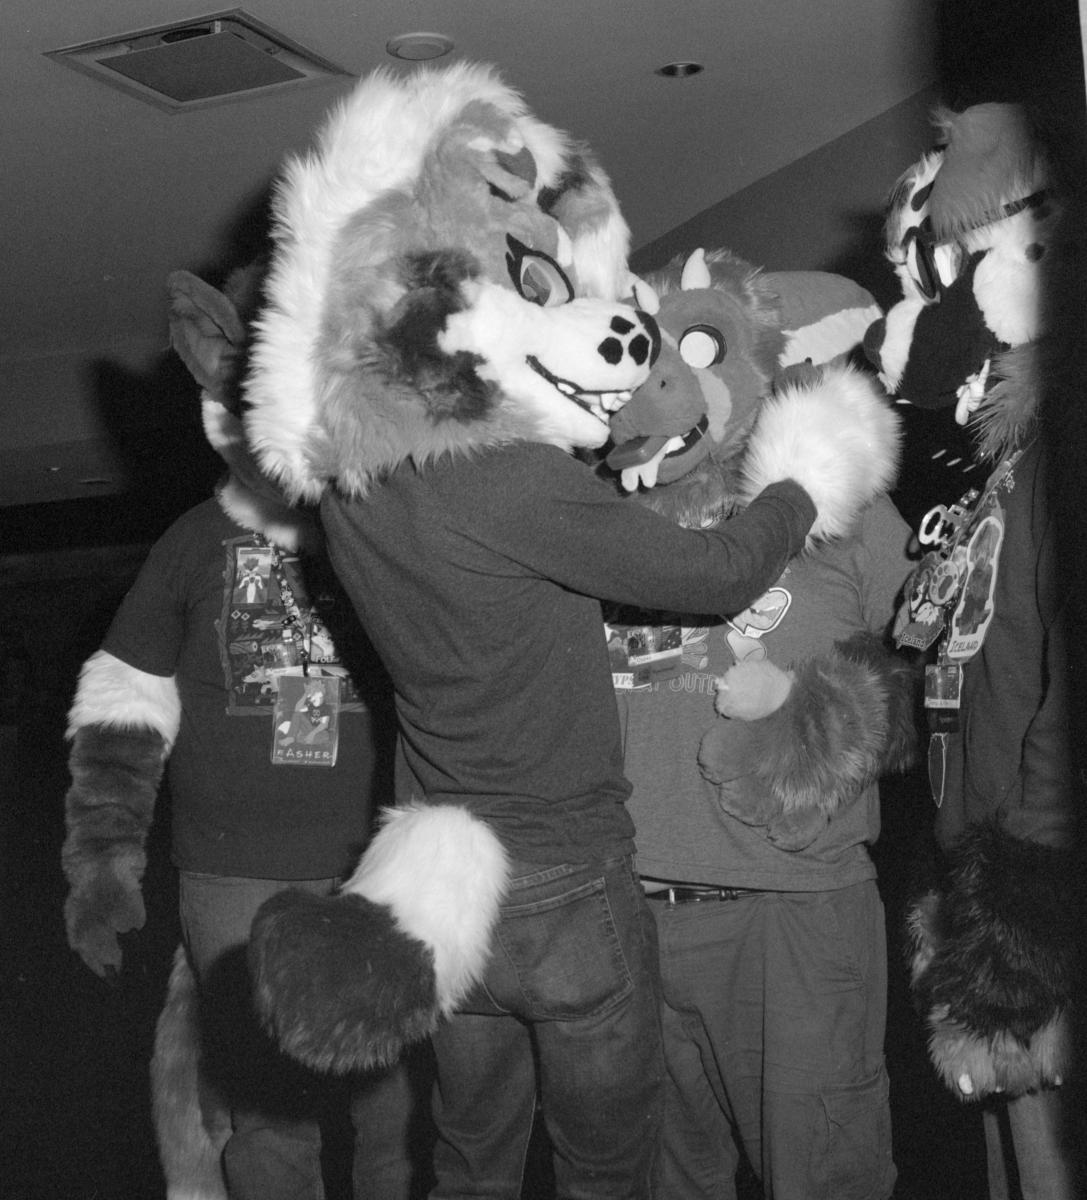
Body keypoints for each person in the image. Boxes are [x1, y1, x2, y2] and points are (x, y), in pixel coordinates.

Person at [238, 65, 899, 1200]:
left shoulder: (354, 493)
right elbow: (718, 574)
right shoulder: (508, 480)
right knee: (609, 1167)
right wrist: (803, 473)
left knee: (472, 1155)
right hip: (567, 881)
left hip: (448, 895)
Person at [61, 267, 428, 1200]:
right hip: (231, 875)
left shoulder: (400, 524)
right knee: (268, 1111)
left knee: (391, 1106)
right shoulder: (193, 542)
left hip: (379, 868)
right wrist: (103, 858)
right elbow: (125, 705)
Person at [601, 247, 914, 1200]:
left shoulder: (839, 503)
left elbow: (937, 679)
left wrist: (808, 708)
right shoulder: (597, 517)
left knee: (821, 1174)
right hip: (624, 915)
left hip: (789, 906)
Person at [867, 102, 1084, 1200]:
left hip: (1032, 885)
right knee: (1008, 1154)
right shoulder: (1003, 460)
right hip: (977, 861)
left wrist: (1026, 894)